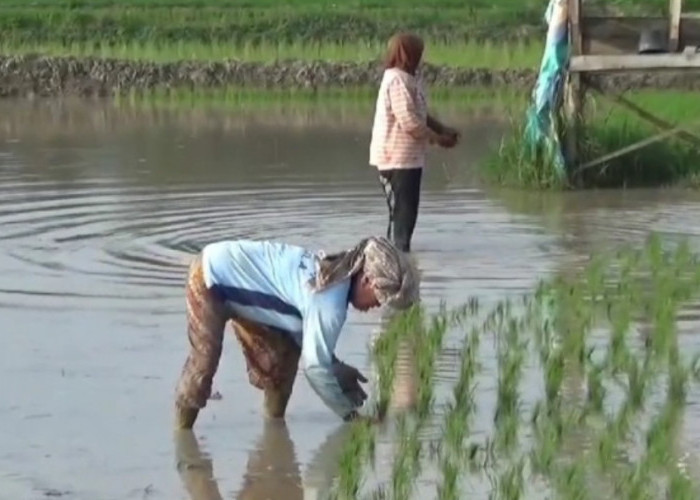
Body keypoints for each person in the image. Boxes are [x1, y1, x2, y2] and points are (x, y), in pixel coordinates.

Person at [174, 235, 419, 429]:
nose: (377, 306)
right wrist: (351, 416)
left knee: (284, 360)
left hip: (248, 291)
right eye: (379, 297)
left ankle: (273, 431)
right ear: (366, 280)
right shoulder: (331, 302)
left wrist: (336, 367)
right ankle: (182, 436)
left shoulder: (336, 273)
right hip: (211, 277)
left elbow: (308, 341)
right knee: (203, 365)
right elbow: (314, 369)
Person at [369, 31, 460, 252]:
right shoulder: (397, 81)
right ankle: (397, 258)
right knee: (402, 213)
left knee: (406, 212)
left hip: (407, 158)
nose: (421, 57)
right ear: (408, 55)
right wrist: (437, 139)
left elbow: (419, 114)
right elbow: (409, 121)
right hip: (396, 159)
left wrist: (442, 129)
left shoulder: (408, 79)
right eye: (418, 52)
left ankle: (399, 255)